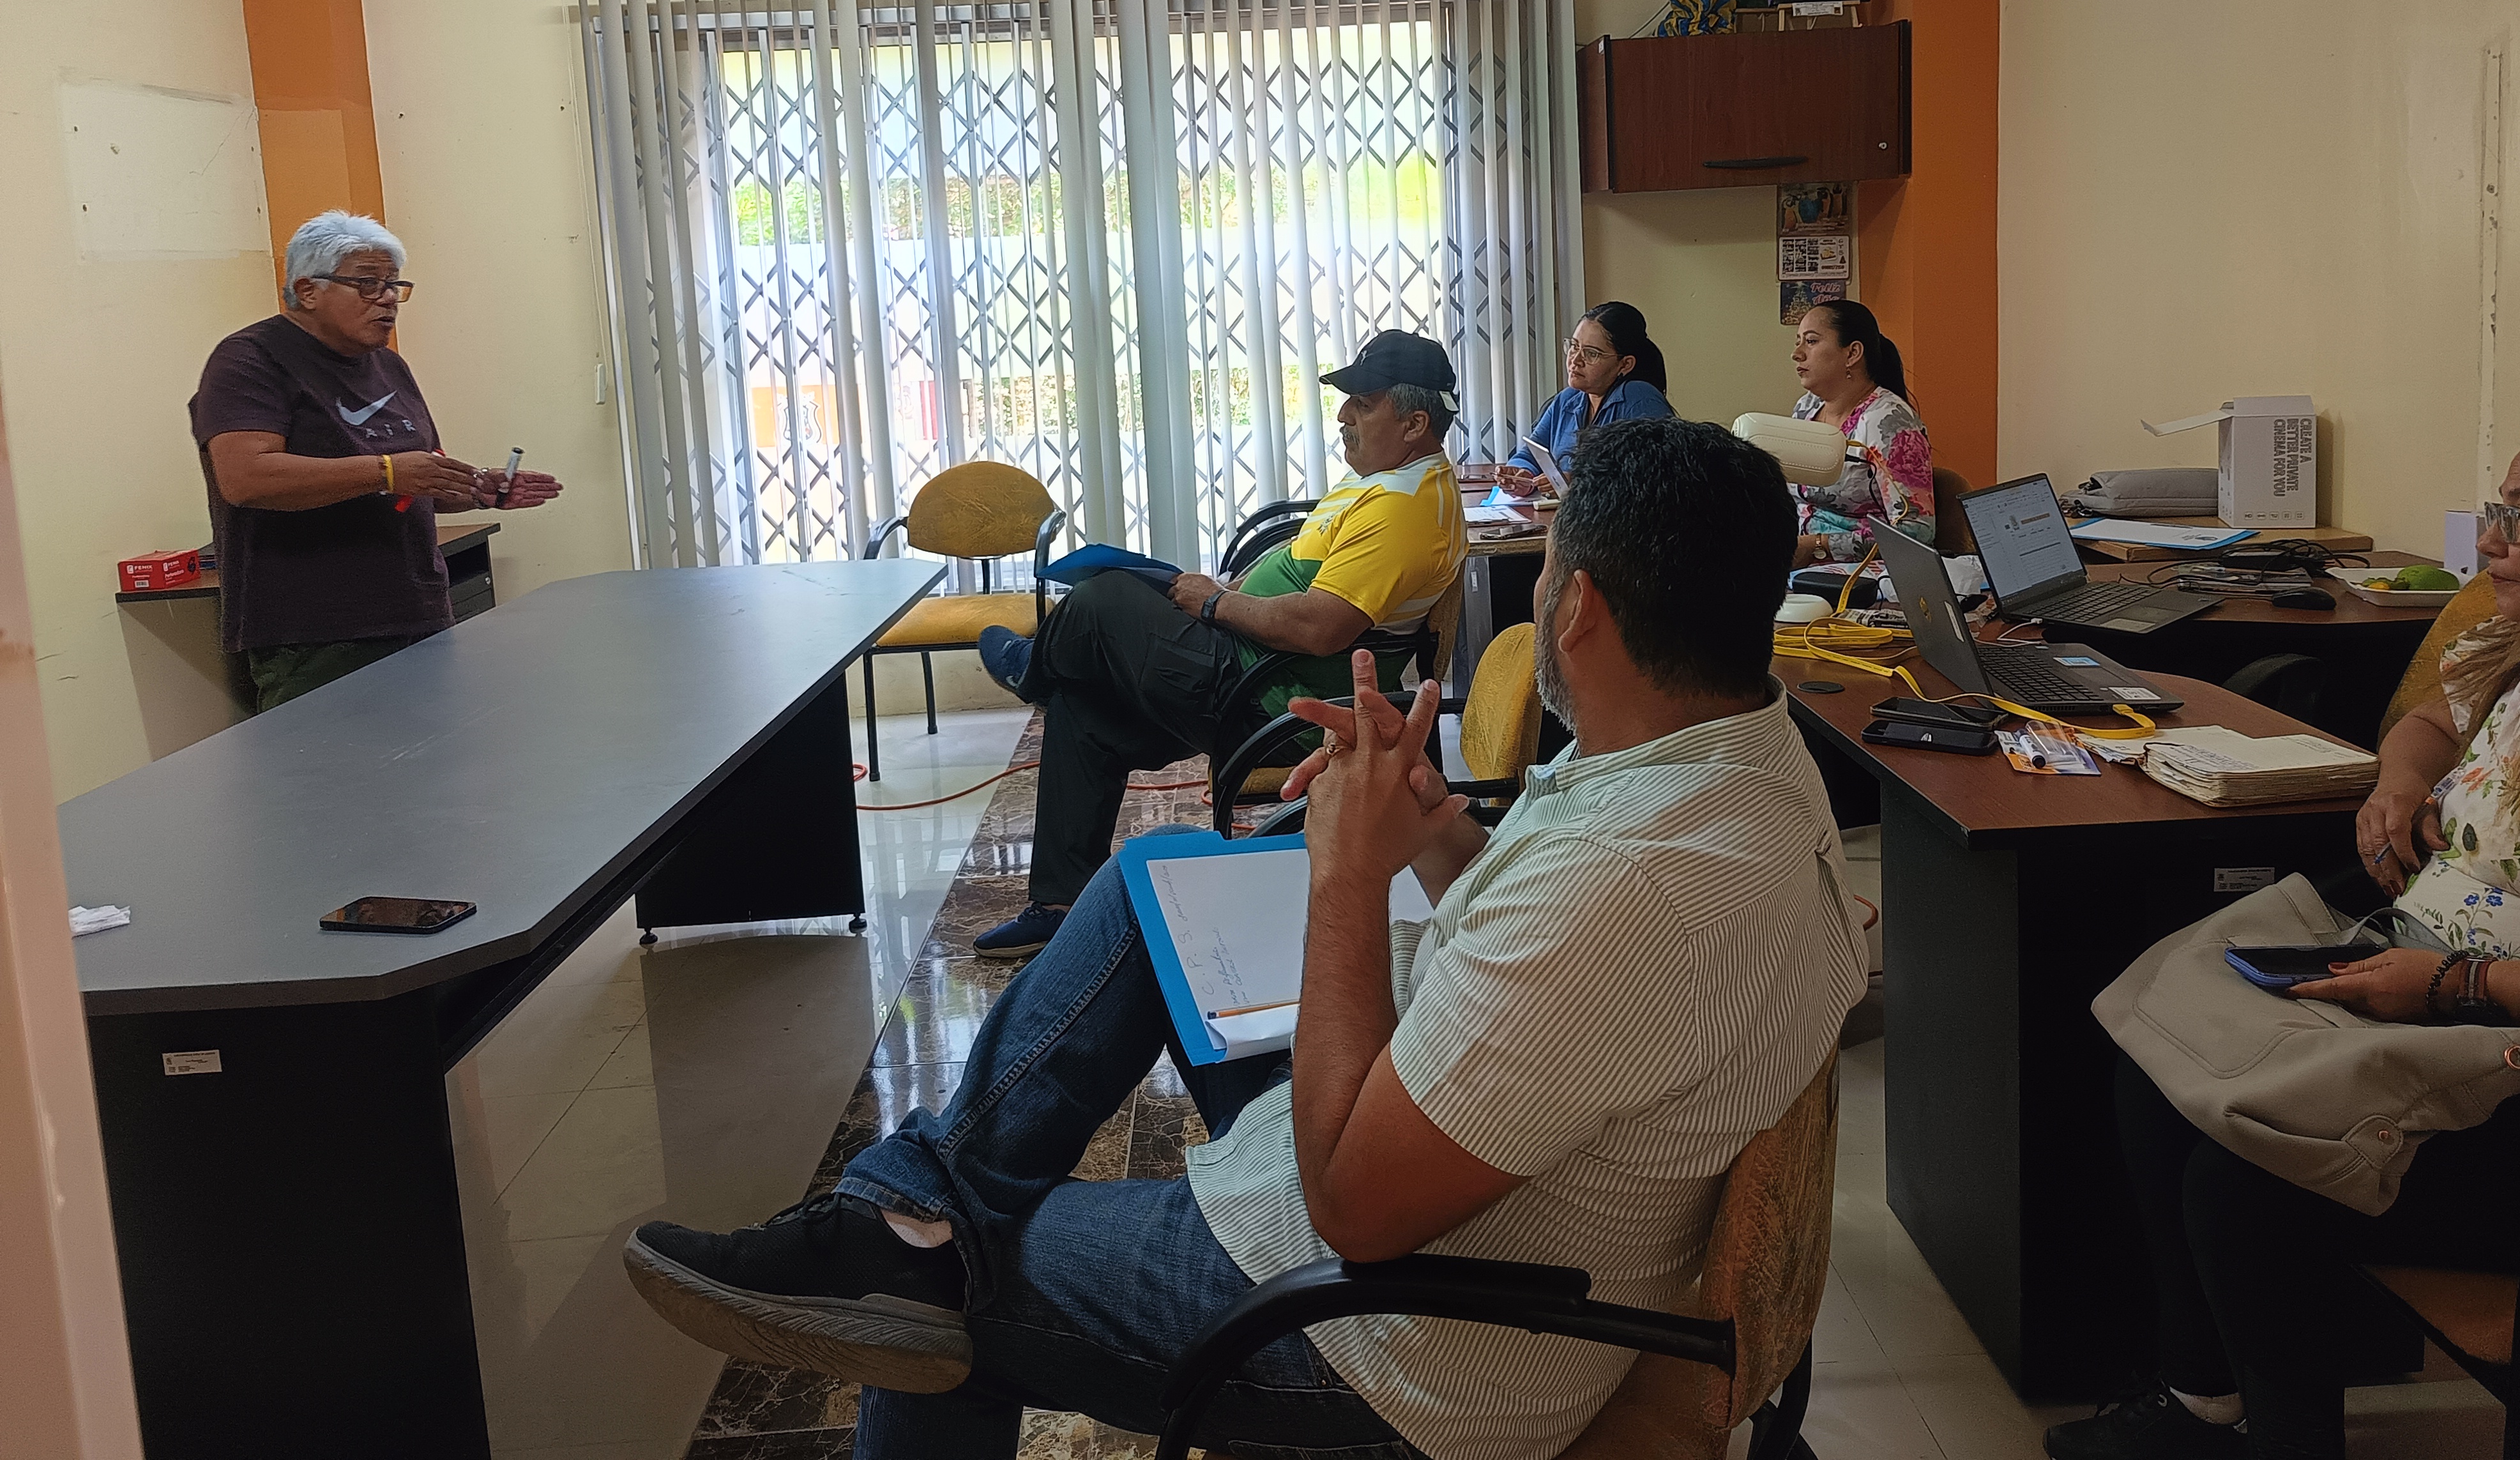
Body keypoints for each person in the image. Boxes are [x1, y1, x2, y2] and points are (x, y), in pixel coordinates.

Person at [623, 417, 1867, 1460]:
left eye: (1546, 581)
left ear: (1578, 607)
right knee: (1153, 881)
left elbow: (1356, 1210)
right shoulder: (1740, 767)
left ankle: (906, 1240)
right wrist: (1436, 832)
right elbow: (1576, 970)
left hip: (1400, 1341)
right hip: (1457, 1143)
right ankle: (914, 1200)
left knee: (958, 1283)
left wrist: (1348, 878)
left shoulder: (1630, 880)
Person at [2047, 419, 2520, 1460]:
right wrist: (2400, 782)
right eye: (2497, 510)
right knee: (2158, 1068)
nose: (2491, 539)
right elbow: (2429, 720)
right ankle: (2202, 1404)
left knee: (2248, 1181)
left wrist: (2455, 985)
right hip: (2436, 994)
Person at [966, 329, 1468, 961]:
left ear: (1415, 423)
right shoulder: (1392, 481)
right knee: (1083, 710)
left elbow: (1321, 627)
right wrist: (1228, 591)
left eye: (1364, 404)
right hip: (1255, 668)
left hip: (1274, 701)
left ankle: (1030, 670)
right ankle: (1058, 908)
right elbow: (1311, 578)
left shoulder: (1404, 510)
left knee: (1101, 600)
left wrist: (1213, 603)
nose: (1344, 416)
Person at [192, 210, 563, 711]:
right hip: (315, 633)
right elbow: (246, 477)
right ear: (308, 290)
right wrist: (387, 471)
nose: (387, 298)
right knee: (337, 763)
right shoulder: (251, 359)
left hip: (418, 612)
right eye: (368, 284)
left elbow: (414, 478)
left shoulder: (388, 365)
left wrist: (476, 487)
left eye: (394, 285)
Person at [1786, 298, 1934, 567]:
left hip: (1860, 572)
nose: (1797, 354)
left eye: (1811, 341)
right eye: (1798, 342)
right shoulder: (1806, 408)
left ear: (1852, 353)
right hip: (1797, 562)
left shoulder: (1889, 422)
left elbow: (1915, 533)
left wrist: (1818, 546)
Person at [1499, 301, 1674, 496]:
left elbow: (1659, 476)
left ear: (1625, 364)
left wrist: (1581, 482)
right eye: (1575, 346)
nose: (1575, 360)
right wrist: (1523, 474)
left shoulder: (1640, 398)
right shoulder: (1567, 399)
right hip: (1566, 514)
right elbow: (1531, 454)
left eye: (1592, 354)